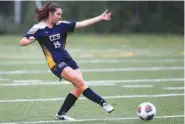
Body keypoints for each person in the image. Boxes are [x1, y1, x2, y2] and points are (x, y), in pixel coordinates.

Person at [19, 2, 113, 120]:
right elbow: (22, 41)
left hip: (67, 58)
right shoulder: (38, 28)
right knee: (80, 82)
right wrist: (28, 40)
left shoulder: (61, 25)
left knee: (79, 86)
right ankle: (103, 102)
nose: (60, 16)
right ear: (50, 13)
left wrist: (100, 17)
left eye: (61, 14)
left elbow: (82, 24)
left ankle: (61, 114)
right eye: (58, 14)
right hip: (55, 63)